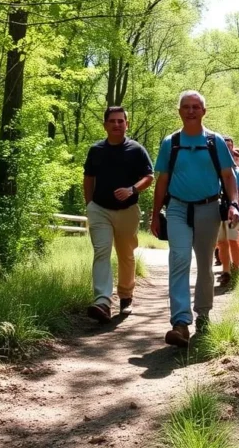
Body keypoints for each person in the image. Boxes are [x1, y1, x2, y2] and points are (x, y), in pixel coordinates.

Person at [151, 91, 239, 348]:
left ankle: (203, 314)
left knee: (204, 263)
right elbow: (163, 181)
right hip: (177, 208)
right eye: (186, 107)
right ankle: (180, 322)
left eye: (196, 107)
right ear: (179, 111)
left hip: (209, 208)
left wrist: (233, 204)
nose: (190, 111)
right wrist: (156, 213)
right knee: (179, 259)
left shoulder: (215, 142)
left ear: (204, 110)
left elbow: (228, 176)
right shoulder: (171, 142)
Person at [83, 106, 154, 322]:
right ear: (105, 125)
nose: (116, 125)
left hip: (127, 211)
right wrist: (90, 205)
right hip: (100, 210)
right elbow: (88, 178)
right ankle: (102, 301)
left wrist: (132, 189)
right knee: (102, 252)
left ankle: (126, 296)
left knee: (126, 254)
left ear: (127, 123)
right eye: (112, 121)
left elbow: (149, 177)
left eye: (120, 121)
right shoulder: (96, 150)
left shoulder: (136, 150)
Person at [216, 139, 239, 287]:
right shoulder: (213, 168)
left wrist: (235, 206)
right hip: (216, 209)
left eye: (230, 147)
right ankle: (226, 271)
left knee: (233, 240)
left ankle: (237, 271)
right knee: (221, 242)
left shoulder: (237, 171)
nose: (227, 149)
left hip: (232, 211)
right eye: (225, 147)